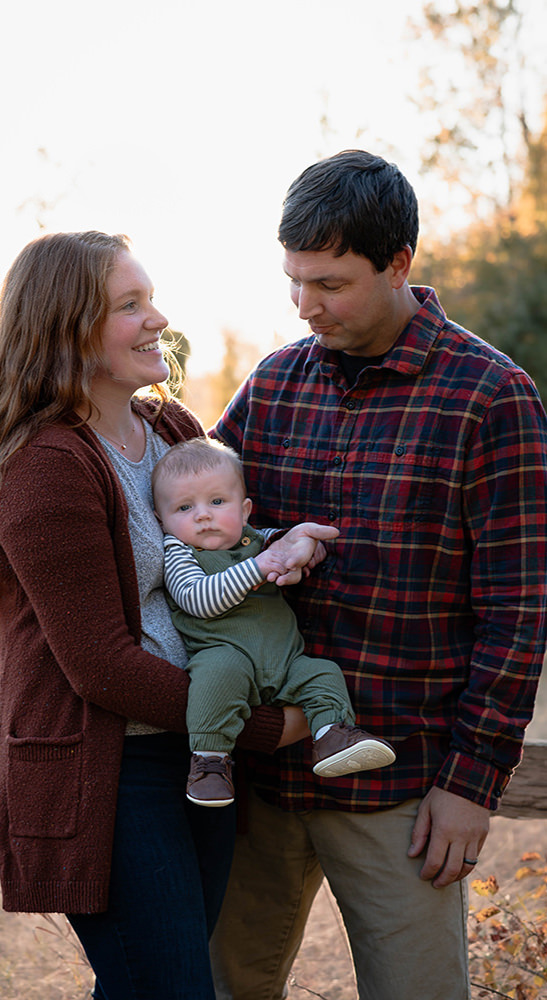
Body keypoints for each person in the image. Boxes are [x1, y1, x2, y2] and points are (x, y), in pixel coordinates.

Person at [0, 231, 333, 1000]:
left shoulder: (171, 429)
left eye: (150, 299)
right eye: (130, 305)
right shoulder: (45, 465)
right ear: (65, 327)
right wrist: (261, 728)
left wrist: (286, 549)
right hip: (112, 777)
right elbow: (101, 666)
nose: (158, 319)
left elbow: (224, 550)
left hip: (195, 758)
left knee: (145, 986)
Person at [209, 150, 547, 1000]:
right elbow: (196, 524)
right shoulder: (274, 384)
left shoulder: (490, 397)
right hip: (260, 782)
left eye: (329, 283)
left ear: (399, 264)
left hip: (399, 785)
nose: (304, 304)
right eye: (293, 281)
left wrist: (472, 783)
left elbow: (516, 610)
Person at [151, 436, 395, 807]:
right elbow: (197, 599)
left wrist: (297, 546)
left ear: (245, 510)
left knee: (322, 673)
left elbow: (282, 545)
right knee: (214, 682)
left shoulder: (256, 540)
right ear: (162, 521)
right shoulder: (179, 553)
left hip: (286, 662)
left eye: (217, 502)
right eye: (184, 507)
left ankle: (332, 734)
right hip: (225, 656)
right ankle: (210, 761)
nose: (203, 515)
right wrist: (259, 567)